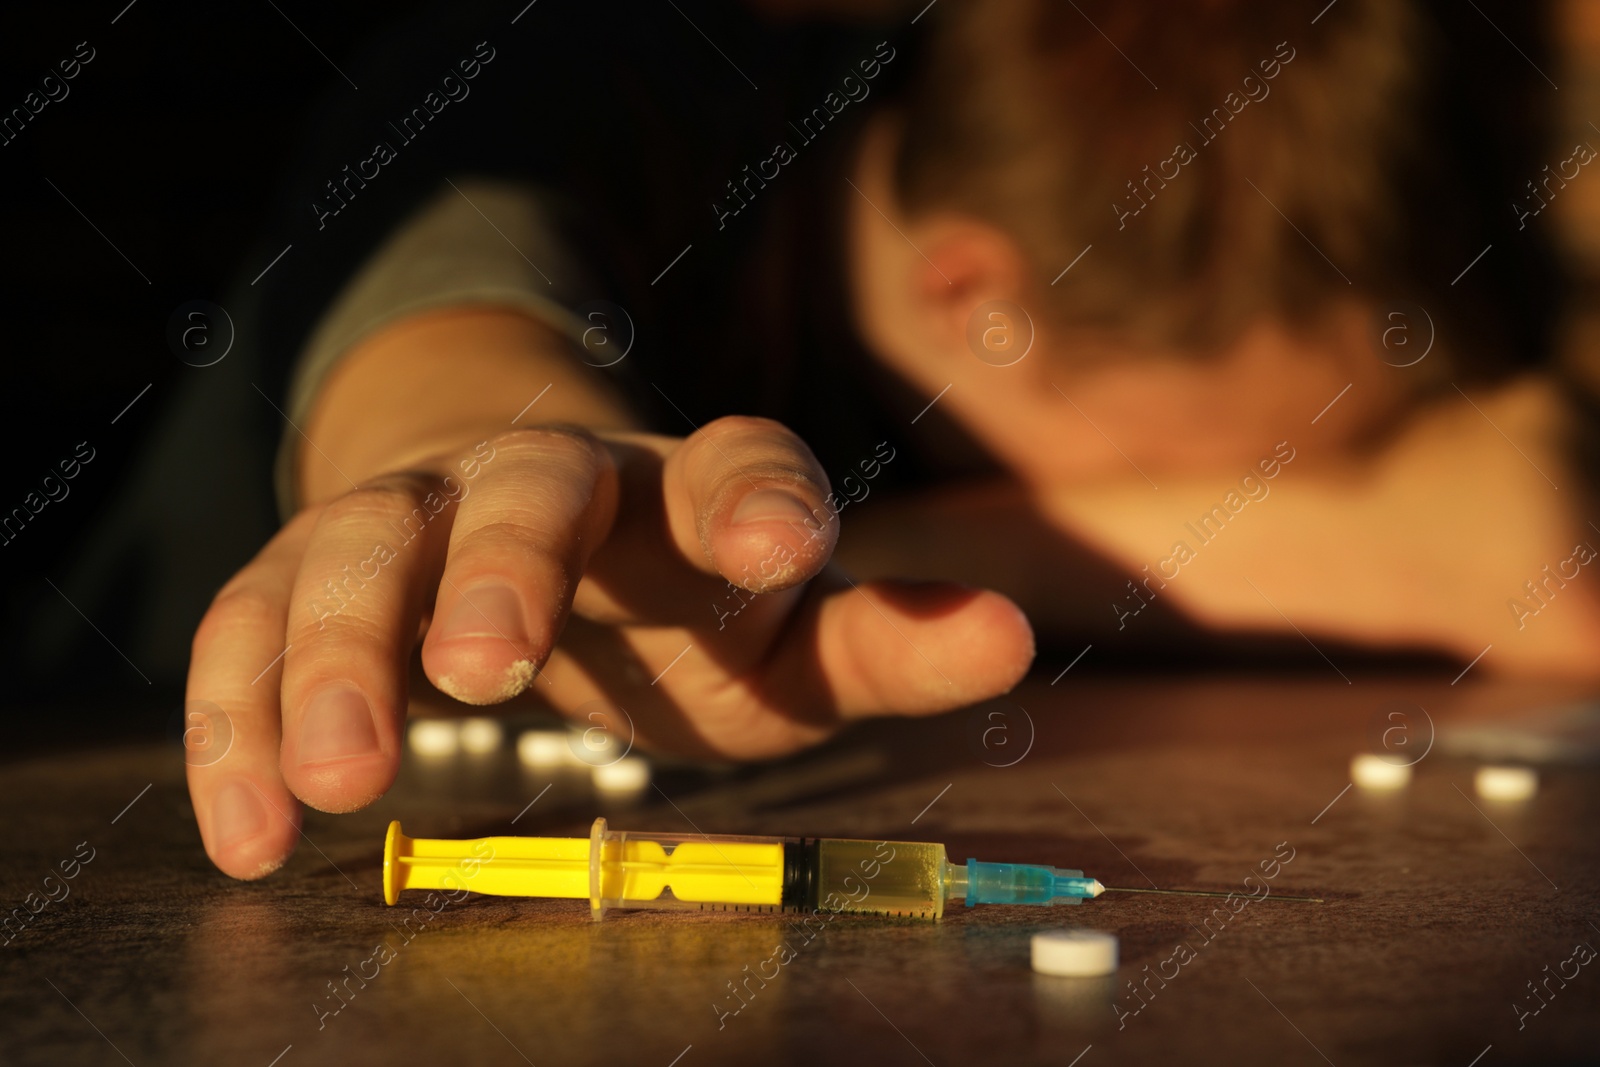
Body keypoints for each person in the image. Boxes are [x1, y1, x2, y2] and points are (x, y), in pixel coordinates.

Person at [187, 0, 1595, 880]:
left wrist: (893, 555)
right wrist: (503, 465)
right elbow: (454, 329)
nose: (1306, 488)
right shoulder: (548, 80)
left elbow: (1539, 546)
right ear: (979, 300)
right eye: (1286, 461)